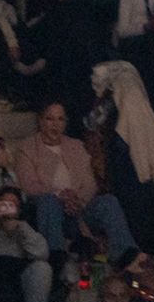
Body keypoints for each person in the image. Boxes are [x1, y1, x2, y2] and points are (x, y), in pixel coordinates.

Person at [12, 101, 137, 268]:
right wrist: (60, 196)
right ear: (41, 121)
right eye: (50, 119)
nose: (55, 124)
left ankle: (125, 253)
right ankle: (56, 255)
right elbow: (28, 184)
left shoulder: (76, 146)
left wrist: (78, 200)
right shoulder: (27, 148)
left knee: (108, 201)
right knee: (48, 202)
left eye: (60, 119)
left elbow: (89, 181)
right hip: (49, 210)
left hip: (78, 209)